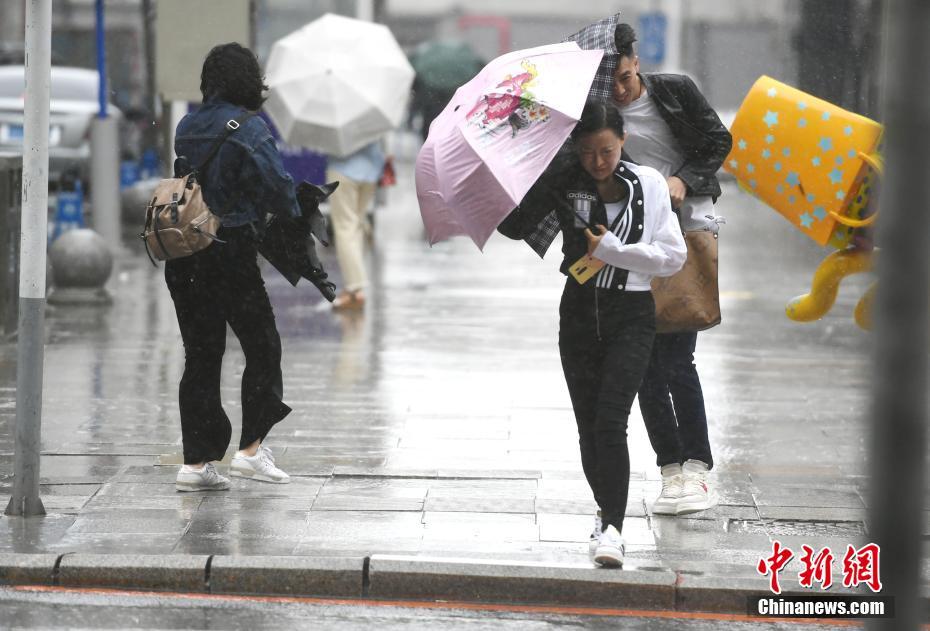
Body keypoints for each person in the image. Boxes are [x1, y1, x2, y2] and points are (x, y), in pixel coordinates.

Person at [498, 101, 686, 567]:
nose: (597, 162)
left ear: (622, 140)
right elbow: (516, 225)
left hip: (632, 315)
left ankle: (615, 531)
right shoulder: (565, 180)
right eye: (587, 153)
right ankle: (606, 516)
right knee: (588, 428)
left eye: (605, 150)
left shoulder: (649, 185)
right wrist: (520, 171)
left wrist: (615, 251)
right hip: (579, 312)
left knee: (610, 421)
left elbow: (672, 255)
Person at [609, 23, 732, 515]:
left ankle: (698, 467)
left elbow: (717, 142)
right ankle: (670, 469)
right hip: (633, 238)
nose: (617, 91)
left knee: (677, 354)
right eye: (606, 84)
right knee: (643, 363)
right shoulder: (596, 115)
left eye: (621, 77)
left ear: (635, 62)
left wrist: (682, 178)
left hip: (688, 228)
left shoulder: (675, 91)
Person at [167, 42, 295, 491]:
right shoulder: (251, 128)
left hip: (186, 255)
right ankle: (251, 450)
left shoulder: (186, 125)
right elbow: (279, 191)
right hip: (231, 252)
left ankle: (196, 463)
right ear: (248, 80)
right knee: (262, 347)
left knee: (201, 355)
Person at [326, 140, 387, 310]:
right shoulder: (371, 114)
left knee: (345, 228)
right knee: (356, 225)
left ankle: (354, 289)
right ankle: (354, 286)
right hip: (371, 170)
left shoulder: (335, 115)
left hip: (343, 169)